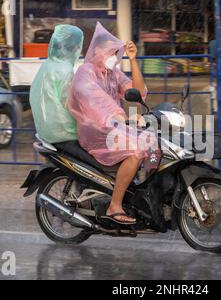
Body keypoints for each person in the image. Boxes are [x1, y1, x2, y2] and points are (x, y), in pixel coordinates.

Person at [68, 22, 157, 225]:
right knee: (136, 151)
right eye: (111, 51)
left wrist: (133, 61)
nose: (114, 55)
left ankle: (139, 195)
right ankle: (114, 205)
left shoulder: (112, 73)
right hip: (95, 131)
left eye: (116, 52)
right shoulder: (86, 73)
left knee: (153, 142)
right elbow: (98, 104)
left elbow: (137, 92)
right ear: (97, 50)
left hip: (113, 127)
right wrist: (123, 118)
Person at [29, 24, 84, 144]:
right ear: (75, 48)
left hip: (44, 130)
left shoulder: (47, 64)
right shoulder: (65, 70)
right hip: (63, 132)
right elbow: (69, 103)